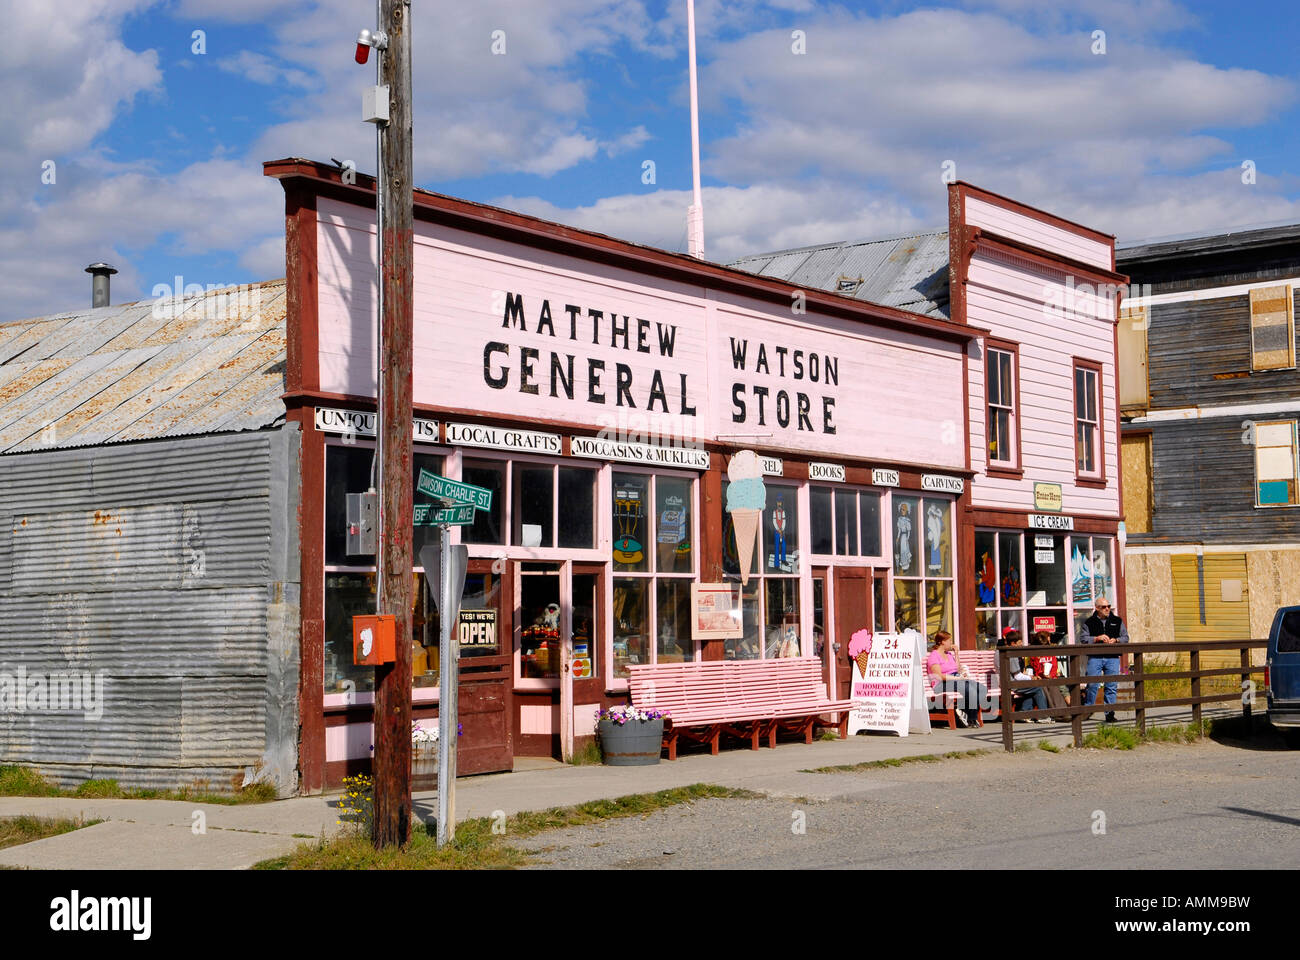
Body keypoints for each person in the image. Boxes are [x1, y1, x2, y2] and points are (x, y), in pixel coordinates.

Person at [926, 631, 988, 728]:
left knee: (982, 689)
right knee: (969, 689)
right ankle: (971, 719)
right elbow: (940, 676)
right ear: (942, 642)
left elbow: (957, 669)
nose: (951, 643)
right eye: (949, 640)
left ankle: (963, 710)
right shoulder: (934, 656)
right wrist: (957, 678)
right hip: (941, 684)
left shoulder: (949, 654)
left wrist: (957, 654)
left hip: (955, 678)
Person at [1081, 598, 1128, 722]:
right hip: (1095, 657)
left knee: (1111, 686)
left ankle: (1110, 714)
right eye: (1103, 607)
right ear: (1097, 608)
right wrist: (1097, 638)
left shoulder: (1117, 621)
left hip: (1112, 657)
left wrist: (1116, 640)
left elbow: (1125, 637)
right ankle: (1087, 710)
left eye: (1109, 606)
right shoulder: (1089, 622)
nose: (1107, 609)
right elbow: (1083, 639)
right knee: (1092, 685)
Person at [1003, 627, 1050, 722]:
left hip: (1005, 681)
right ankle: (1043, 716)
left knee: (1031, 688)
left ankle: (1023, 713)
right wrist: (1032, 678)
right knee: (1037, 687)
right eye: (1020, 642)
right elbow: (1017, 676)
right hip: (1011, 683)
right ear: (1013, 643)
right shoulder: (1011, 654)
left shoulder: (1000, 651)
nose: (1021, 644)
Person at [1028, 630, 1070, 714]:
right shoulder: (1034, 655)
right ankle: (1057, 710)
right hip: (1042, 678)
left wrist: (1052, 675)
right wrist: (1041, 673)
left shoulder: (1050, 651)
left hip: (1053, 676)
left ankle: (1071, 707)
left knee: (1063, 688)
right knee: (1049, 687)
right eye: (1048, 637)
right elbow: (1035, 668)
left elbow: (1054, 666)